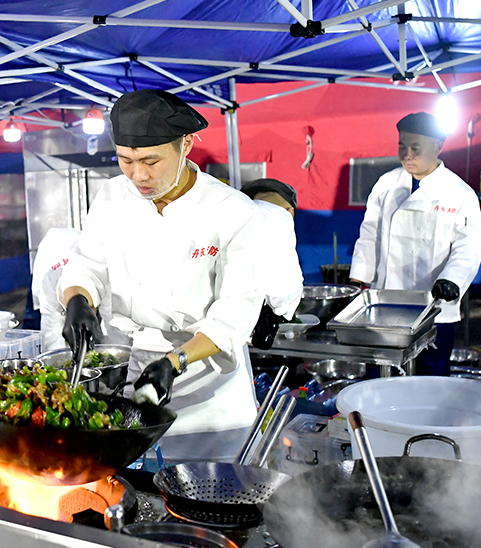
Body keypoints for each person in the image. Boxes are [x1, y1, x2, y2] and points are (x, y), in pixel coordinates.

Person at [57, 89, 263, 463]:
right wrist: (77, 299)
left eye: (151, 161)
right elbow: (87, 264)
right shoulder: (111, 197)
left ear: (186, 145)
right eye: (125, 160)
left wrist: (174, 362)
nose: (138, 175)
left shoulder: (232, 211)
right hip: (135, 375)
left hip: (208, 390)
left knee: (210, 505)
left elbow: (235, 313)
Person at [349, 112, 481, 376]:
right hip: (387, 300)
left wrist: (452, 280)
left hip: (434, 303)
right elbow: (369, 234)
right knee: (380, 374)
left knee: (430, 379)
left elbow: (468, 245)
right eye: (402, 147)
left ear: (438, 147)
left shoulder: (460, 193)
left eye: (415, 148)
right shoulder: (386, 185)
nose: (407, 155)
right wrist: (359, 279)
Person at [32, 227, 125, 351]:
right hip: (51, 253)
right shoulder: (49, 284)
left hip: (79, 249)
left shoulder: (107, 280)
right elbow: (52, 334)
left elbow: (116, 329)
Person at [240, 178, 304, 349]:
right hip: (237, 322)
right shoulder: (278, 215)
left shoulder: (237, 211)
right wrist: (280, 313)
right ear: (291, 211)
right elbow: (284, 275)